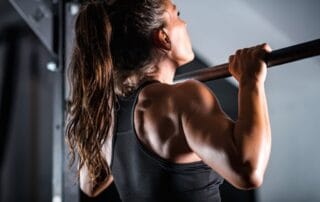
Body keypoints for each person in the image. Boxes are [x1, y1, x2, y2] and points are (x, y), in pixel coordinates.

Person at [66, 0, 272, 201]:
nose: (185, 23)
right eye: (177, 15)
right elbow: (248, 170)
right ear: (164, 38)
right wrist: (250, 80)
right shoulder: (183, 98)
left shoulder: (111, 114)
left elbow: (90, 184)